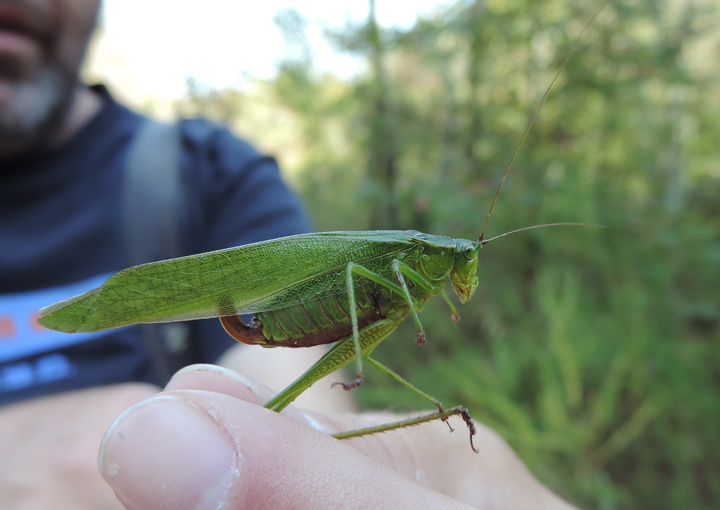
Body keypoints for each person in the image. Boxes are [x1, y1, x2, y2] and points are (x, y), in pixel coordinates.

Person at [0, 1, 578, 508]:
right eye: (463, 263)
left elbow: (298, 402)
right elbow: (361, 272)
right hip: (299, 304)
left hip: (298, 332)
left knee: (299, 428)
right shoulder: (410, 256)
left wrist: (293, 459)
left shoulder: (217, 176)